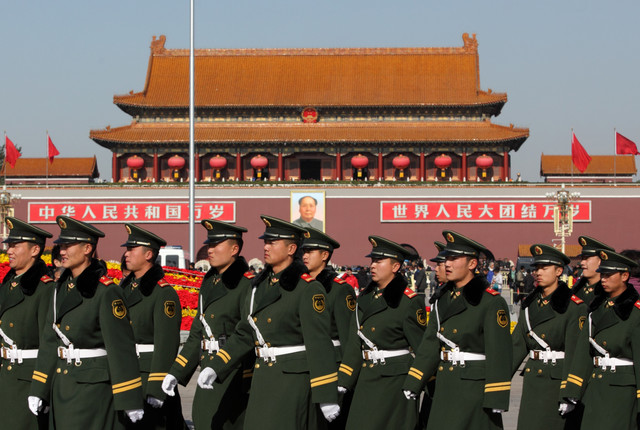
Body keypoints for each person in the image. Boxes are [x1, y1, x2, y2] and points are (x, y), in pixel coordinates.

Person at [198, 215, 340, 429]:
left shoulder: (307, 289)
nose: (266, 247)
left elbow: (319, 344)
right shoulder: (259, 286)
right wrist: (216, 366)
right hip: (263, 377)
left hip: (292, 382)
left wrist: (326, 394)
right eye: (265, 242)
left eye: (272, 243)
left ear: (291, 249)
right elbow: (246, 332)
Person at [29, 216, 144, 429]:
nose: (62, 251)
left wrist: (129, 397)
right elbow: (49, 341)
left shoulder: (105, 291)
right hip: (62, 384)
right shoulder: (59, 288)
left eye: (68, 245)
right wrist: (39, 388)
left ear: (87, 249)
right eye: (61, 246)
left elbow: (121, 347)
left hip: (93, 389)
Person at [403, 230, 512, 430]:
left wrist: (497, 395)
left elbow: (500, 352)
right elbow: (429, 344)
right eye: (447, 258)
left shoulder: (489, 302)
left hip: (473, 387)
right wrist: (415, 380)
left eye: (454, 258)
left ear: (472, 264)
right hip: (446, 383)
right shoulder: (443, 299)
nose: (447, 264)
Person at [163, 220, 252, 429]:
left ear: (234, 249)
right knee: (203, 420)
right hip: (208, 370)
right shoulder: (210, 281)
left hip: (232, 373)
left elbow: (245, 333)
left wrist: (218, 366)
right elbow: (198, 333)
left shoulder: (245, 284)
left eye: (215, 245)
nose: (209, 250)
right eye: (209, 245)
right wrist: (177, 371)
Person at [337, 236, 426, 430]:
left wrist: (419, 383)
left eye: (379, 261)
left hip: (395, 382)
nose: (372, 266)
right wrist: (344, 379)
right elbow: (354, 342)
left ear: (395, 267)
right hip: (366, 377)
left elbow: (423, 349)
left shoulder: (408, 301)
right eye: (372, 261)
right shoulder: (365, 298)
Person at [561, 250, 640, 429]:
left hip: (623, 391)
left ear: (625, 276)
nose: (603, 279)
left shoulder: (635, 312)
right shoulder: (596, 309)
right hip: (595, 387)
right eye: (602, 274)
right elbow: (583, 354)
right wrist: (572, 391)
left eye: (609, 274)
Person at [511, 244, 587, 430]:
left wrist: (570, 393)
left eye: (544, 268)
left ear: (559, 271)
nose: (538, 272)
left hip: (557, 381)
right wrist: (494, 382)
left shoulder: (573, 307)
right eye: (536, 268)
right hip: (533, 380)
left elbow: (576, 354)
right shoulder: (530, 305)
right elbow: (515, 347)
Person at [118, 224, 186, 429]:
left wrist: (157, 388)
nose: (126, 254)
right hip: (126, 373)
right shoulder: (124, 288)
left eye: (132, 250)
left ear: (148, 254)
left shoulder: (162, 293)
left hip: (148, 377)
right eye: (126, 249)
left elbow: (166, 345)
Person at [0, 217, 54, 429]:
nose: (9, 251)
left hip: (27, 379)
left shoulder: (44, 289)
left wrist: (42, 388)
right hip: (6, 374)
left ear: (34, 250)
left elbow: (48, 342)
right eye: (9, 246)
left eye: (15, 246)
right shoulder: (9, 285)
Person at [301, 227, 356, 430]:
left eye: (310, 252)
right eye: (303, 251)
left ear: (325, 255)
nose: (304, 256)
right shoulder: (301, 286)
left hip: (331, 366)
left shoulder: (339, 290)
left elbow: (348, 339)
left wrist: (344, 378)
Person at [572, 236, 615, 306]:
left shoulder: (609, 292)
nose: (582, 262)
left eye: (586, 258)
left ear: (600, 261)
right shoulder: (577, 289)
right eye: (582, 258)